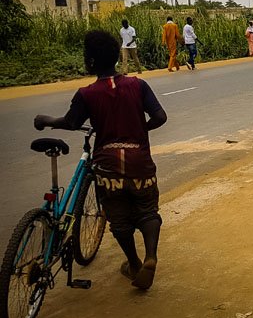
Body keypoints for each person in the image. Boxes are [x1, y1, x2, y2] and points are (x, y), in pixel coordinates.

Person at [34, 30, 167, 290]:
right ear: (117, 57)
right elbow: (160, 117)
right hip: (140, 163)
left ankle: (134, 263)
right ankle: (151, 256)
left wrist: (45, 120)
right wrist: (139, 130)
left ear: (91, 61)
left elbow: (71, 122)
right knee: (148, 211)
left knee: (119, 220)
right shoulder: (138, 85)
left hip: (108, 167)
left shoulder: (87, 93)